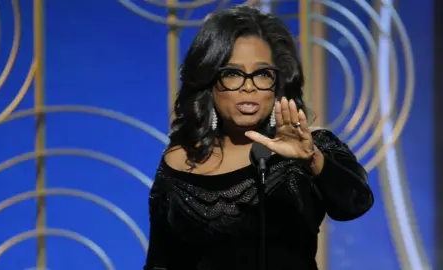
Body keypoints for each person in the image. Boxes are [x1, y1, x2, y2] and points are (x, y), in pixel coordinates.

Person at [144, 5, 374, 270]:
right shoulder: (180, 160)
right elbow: (160, 263)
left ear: (278, 83)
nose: (249, 86)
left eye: (263, 74)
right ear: (209, 82)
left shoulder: (312, 148)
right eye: (232, 73)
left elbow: (356, 203)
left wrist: (312, 159)